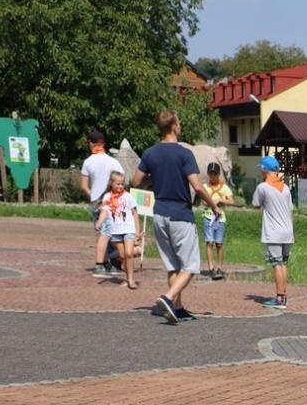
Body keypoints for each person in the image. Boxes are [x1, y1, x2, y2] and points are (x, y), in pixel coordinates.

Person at [133, 110, 221, 325]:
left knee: (173, 265)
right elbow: (198, 186)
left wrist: (156, 180)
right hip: (180, 214)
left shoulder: (150, 153)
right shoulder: (184, 154)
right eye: (179, 123)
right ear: (173, 126)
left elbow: (136, 182)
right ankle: (168, 297)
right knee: (191, 266)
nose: (180, 126)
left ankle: (177, 309)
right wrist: (214, 205)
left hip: (160, 212)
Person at [79, 129, 125, 274]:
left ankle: (102, 263)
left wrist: (94, 195)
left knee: (102, 234)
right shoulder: (114, 162)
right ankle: (110, 263)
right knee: (113, 234)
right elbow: (121, 182)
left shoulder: (88, 162)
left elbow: (83, 186)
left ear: (91, 144)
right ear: (103, 144)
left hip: (97, 203)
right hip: (113, 202)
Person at [252, 155, 294, 309]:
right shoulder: (286, 188)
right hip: (287, 231)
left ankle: (279, 298)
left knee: (276, 264)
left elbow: (256, 204)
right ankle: (283, 295)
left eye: (261, 169)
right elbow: (290, 211)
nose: (260, 172)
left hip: (273, 232)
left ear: (264, 170)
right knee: (283, 264)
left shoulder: (262, 187)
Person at [94, 172, 139, 290]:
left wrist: (137, 231)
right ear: (111, 183)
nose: (120, 186)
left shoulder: (128, 196)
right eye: (118, 184)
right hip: (116, 231)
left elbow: (134, 213)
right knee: (123, 256)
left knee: (129, 253)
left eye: (122, 184)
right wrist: (99, 222)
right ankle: (127, 278)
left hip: (128, 229)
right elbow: (104, 211)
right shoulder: (107, 197)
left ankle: (131, 280)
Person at [202, 162, 234, 281]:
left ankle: (220, 267)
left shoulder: (224, 187)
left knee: (219, 243)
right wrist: (212, 203)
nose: (213, 176)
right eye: (211, 173)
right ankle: (211, 267)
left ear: (219, 174)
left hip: (220, 218)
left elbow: (232, 201)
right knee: (209, 242)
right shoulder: (205, 187)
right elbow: (203, 201)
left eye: (215, 174)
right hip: (208, 217)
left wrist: (221, 200)